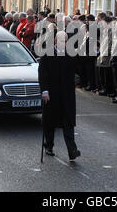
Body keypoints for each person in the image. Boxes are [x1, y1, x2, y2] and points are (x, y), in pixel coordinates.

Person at [38, 31, 81, 161]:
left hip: (67, 93)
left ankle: (72, 150)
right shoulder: (47, 53)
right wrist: (44, 91)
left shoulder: (71, 54)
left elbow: (79, 68)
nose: (64, 43)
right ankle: (49, 145)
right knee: (50, 121)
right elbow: (42, 74)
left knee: (68, 122)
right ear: (56, 41)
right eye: (61, 41)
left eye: (65, 41)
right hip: (52, 93)